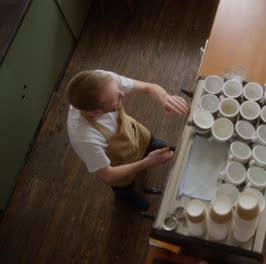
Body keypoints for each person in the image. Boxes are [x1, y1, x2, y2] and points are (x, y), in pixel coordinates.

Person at [67, 70, 188, 211]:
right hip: (118, 162)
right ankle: (127, 195)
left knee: (148, 141)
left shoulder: (104, 81)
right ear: (96, 113)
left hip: (135, 132)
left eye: (118, 90)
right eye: (116, 100)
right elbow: (108, 175)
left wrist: (165, 97)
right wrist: (147, 162)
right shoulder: (84, 137)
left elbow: (149, 88)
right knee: (124, 186)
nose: (122, 94)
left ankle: (148, 147)